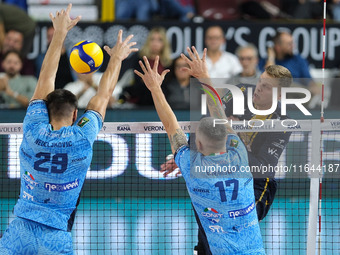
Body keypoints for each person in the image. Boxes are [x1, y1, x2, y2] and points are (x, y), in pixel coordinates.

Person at [0, 4, 138, 254]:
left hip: (19, 229)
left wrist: (60, 34)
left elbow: (45, 80)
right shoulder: (82, 136)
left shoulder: (33, 128)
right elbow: (103, 95)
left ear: (45, 110)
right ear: (76, 114)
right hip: (56, 235)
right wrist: (116, 58)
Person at [135, 47, 265, 254]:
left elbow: (170, 124)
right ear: (226, 138)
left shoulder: (191, 166)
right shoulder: (239, 153)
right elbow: (218, 113)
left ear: (199, 145)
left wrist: (155, 88)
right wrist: (204, 76)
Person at [161, 63, 293, 254]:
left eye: (267, 87)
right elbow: (207, 124)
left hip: (257, 186)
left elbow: (262, 167)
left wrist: (232, 139)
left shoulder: (282, 122)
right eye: (260, 81)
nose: (259, 88)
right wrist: (187, 154)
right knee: (209, 208)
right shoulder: (239, 92)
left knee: (229, 220)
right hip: (224, 171)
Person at [120, 27, 172, 106]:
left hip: (164, 101)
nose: (155, 43)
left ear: (164, 43)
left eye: (159, 40)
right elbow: (139, 82)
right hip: (142, 100)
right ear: (148, 41)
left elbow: (169, 86)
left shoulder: (169, 63)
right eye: (152, 39)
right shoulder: (139, 59)